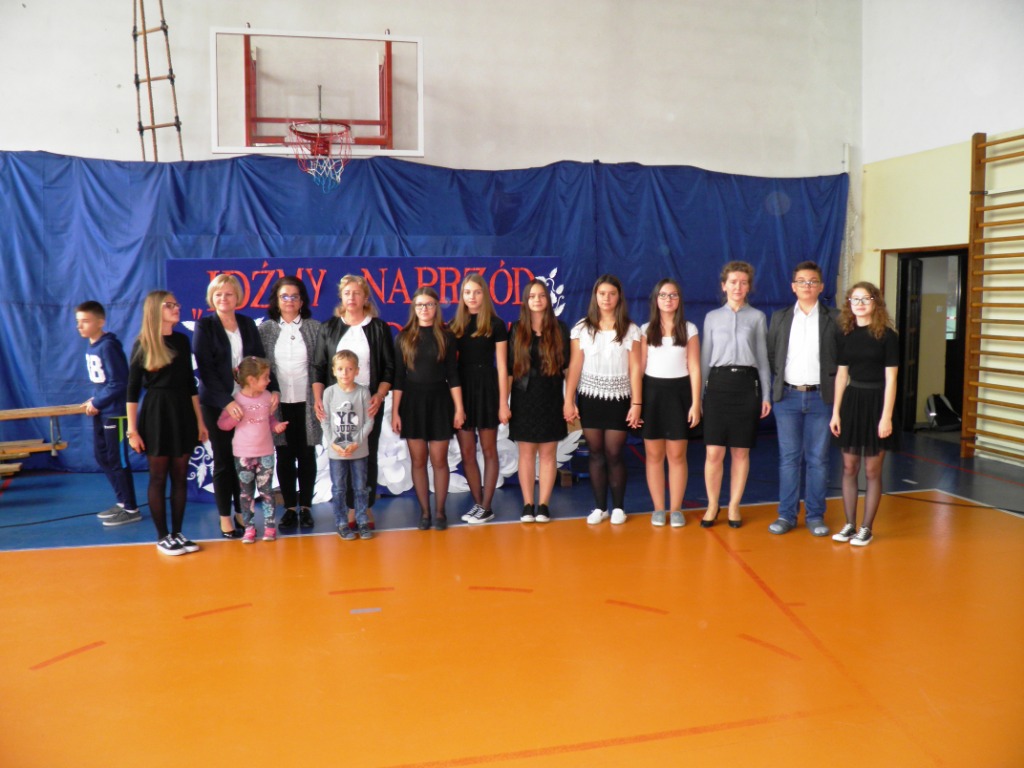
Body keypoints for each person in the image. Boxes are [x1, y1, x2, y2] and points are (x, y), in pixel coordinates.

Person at [126, 291, 208, 556]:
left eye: (176, 304)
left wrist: (200, 421)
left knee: (180, 476)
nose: (176, 308)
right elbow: (131, 392)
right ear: (155, 310)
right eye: (169, 305)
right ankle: (162, 536)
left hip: (182, 411)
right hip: (157, 413)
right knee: (159, 477)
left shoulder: (182, 341)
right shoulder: (142, 344)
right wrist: (132, 430)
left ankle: (177, 532)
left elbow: (190, 386)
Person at [193, 273, 275, 539]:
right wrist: (227, 402)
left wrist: (268, 390)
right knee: (223, 461)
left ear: (237, 297)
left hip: (248, 402)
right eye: (218, 294)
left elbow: (259, 361)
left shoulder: (247, 323)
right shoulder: (205, 326)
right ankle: (225, 518)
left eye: (228, 294)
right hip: (218, 404)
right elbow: (206, 369)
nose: (223, 298)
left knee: (244, 462)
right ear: (211, 298)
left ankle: (243, 513)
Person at [313, 274, 395, 531]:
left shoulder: (379, 328)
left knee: (366, 455)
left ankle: (364, 507)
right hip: (336, 405)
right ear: (341, 296)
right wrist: (318, 399)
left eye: (357, 293)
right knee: (342, 455)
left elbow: (390, 367)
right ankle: (347, 510)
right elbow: (318, 367)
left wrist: (379, 395)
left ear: (365, 297)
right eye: (347, 293)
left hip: (368, 403)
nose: (352, 297)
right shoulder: (328, 328)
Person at [767, 261, 841, 537]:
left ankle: (815, 516)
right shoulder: (780, 317)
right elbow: (772, 355)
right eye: (801, 281)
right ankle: (786, 515)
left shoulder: (836, 318)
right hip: (787, 398)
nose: (807, 286)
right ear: (793, 286)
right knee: (788, 459)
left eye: (812, 281)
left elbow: (842, 359)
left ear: (821, 287)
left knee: (818, 460)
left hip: (822, 398)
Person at [563, 274, 643, 525]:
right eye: (602, 293)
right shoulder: (582, 328)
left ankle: (618, 507)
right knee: (595, 453)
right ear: (595, 296)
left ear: (619, 297)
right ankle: (600, 508)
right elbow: (575, 366)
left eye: (612, 293)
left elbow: (635, 369)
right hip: (590, 398)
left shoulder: (631, 329)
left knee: (614, 453)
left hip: (619, 398)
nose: (607, 298)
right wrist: (569, 400)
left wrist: (637, 404)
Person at [700, 261, 771, 528]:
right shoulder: (712, 317)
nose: (738, 287)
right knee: (714, 453)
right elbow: (704, 359)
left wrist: (765, 394)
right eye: (733, 282)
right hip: (718, 386)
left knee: (741, 452)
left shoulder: (757, 317)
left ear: (749, 286)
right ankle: (712, 505)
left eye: (743, 282)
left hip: (746, 386)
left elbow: (762, 359)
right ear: (724, 285)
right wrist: (698, 397)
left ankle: (734, 506)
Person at [829, 282, 899, 547]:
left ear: (875, 302)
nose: (859, 304)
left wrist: (886, 416)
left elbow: (891, 379)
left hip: (877, 402)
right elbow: (841, 375)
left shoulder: (888, 336)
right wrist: (836, 412)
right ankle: (849, 523)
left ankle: (866, 527)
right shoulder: (845, 333)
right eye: (854, 299)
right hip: (852, 402)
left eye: (865, 299)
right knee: (849, 466)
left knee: (872, 470)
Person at [391, 287, 465, 531]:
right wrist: (395, 412)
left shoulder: (447, 337)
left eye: (429, 304)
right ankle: (425, 513)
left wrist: (459, 409)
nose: (424, 309)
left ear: (436, 307)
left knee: (439, 460)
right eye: (420, 305)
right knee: (418, 460)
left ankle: (440, 512)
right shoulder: (403, 338)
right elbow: (398, 378)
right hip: (412, 403)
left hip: (440, 402)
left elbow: (453, 374)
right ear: (414, 308)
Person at [259, 276, 322, 531]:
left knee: (306, 454)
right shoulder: (266, 330)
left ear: (302, 301)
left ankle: (305, 507)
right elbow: (261, 367)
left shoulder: (314, 328)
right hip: (278, 403)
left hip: (307, 401)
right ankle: (289, 508)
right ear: (276, 300)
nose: (289, 301)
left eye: (294, 296)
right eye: (284, 296)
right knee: (284, 455)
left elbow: (320, 365)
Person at [507, 279, 570, 523]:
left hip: (551, 397)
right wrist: (503, 402)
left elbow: (567, 368)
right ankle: (527, 504)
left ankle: (543, 505)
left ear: (548, 299)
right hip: (523, 397)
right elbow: (509, 370)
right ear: (526, 301)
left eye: (541, 295)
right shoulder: (516, 329)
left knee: (547, 453)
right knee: (525, 454)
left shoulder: (560, 329)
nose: (537, 300)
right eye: (532, 296)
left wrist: (570, 400)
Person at [640, 279, 701, 528]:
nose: (668, 299)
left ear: (679, 300)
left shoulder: (689, 329)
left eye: (673, 295)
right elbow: (639, 368)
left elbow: (694, 367)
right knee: (654, 455)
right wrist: (636, 402)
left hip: (679, 395)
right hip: (652, 396)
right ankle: (658, 508)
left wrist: (695, 403)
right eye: (663, 295)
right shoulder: (645, 330)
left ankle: (676, 509)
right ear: (656, 300)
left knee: (677, 455)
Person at [451, 273, 510, 525]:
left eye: (476, 292)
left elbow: (503, 366)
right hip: (463, 390)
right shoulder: (454, 326)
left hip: (487, 388)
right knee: (467, 452)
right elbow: (450, 367)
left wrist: (503, 402)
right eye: (467, 292)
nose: (472, 297)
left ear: (484, 294)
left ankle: (487, 506)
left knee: (488, 449)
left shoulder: (496, 324)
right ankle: (479, 504)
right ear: (461, 296)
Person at [75, 300, 140, 528]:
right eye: (78, 322)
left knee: (117, 459)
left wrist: (99, 402)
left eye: (85, 321)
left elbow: (120, 382)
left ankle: (131, 508)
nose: (80, 326)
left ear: (100, 322)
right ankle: (122, 502)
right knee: (102, 457)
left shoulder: (109, 346)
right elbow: (103, 383)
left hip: (116, 413)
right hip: (102, 411)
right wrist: (95, 400)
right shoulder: (92, 346)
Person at [216, 356, 289, 544]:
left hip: (265, 453)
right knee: (246, 494)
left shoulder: (267, 397)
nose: (269, 380)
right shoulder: (235, 400)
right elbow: (222, 424)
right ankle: (249, 528)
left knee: (267, 492)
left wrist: (276, 426)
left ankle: (270, 527)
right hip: (243, 455)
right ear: (251, 380)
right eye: (265, 377)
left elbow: (269, 419)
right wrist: (234, 418)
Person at [322, 350, 375, 541]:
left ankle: (362, 520)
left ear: (357, 371)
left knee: (360, 487)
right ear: (334, 371)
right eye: (340, 369)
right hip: (337, 452)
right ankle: (341, 523)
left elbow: (369, 421)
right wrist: (334, 443)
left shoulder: (362, 392)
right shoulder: (329, 393)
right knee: (339, 488)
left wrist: (356, 442)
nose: (345, 373)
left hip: (358, 451)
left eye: (349, 369)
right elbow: (325, 421)